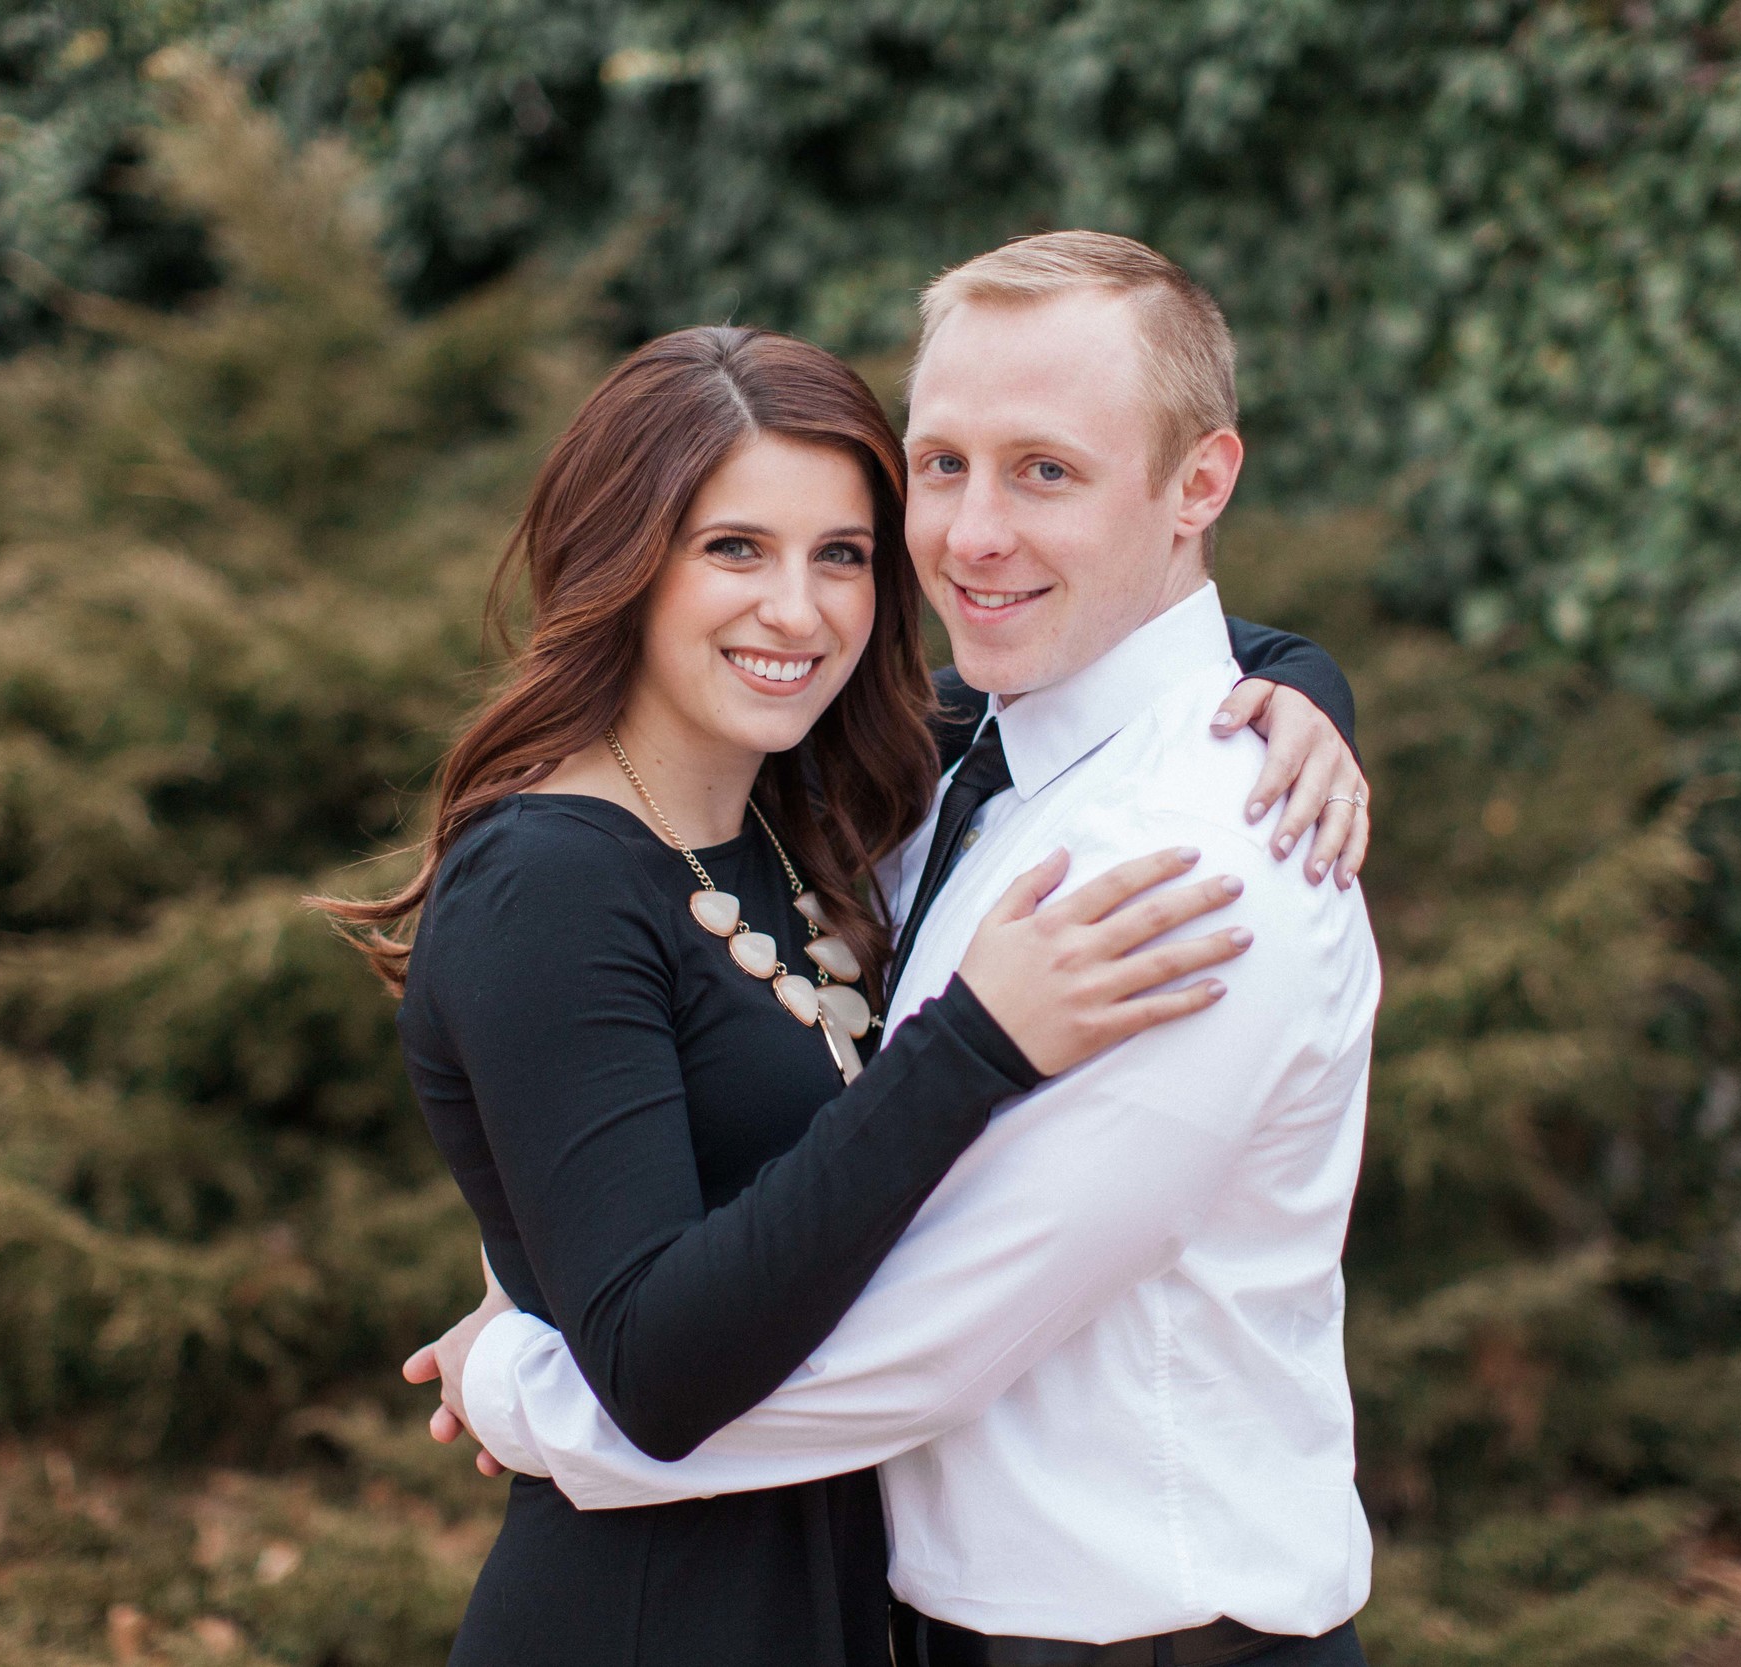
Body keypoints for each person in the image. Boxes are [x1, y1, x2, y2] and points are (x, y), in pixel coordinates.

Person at [435, 233, 1383, 1667]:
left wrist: (522, 1384)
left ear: (1201, 485)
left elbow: (914, 1337)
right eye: (940, 467)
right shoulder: (948, 772)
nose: (972, 535)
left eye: (1044, 470)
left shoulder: (1199, 854)